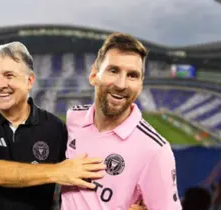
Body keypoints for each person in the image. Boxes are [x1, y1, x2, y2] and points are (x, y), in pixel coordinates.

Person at [0, 42, 106, 210]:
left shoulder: (55, 128)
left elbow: (82, 174)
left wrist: (129, 201)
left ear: (29, 81)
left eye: (9, 75)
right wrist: (57, 171)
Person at [61, 33, 182, 210]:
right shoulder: (74, 118)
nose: (121, 84)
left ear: (140, 85)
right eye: (113, 70)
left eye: (132, 75)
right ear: (94, 75)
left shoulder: (155, 150)